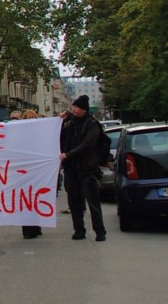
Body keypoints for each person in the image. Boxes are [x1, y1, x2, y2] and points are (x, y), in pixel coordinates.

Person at [60, 95, 107, 242]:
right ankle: (79, 230)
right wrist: (59, 120)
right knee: (74, 201)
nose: (73, 109)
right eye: (73, 107)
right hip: (71, 169)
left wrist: (68, 155)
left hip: (87, 167)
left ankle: (100, 231)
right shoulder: (69, 123)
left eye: (76, 107)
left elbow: (88, 144)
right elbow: (58, 136)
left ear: (84, 110)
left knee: (92, 201)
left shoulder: (92, 124)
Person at [18, 109, 43, 240]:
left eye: (33, 117)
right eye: (28, 118)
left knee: (35, 199)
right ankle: (28, 229)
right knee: (25, 200)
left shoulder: (40, 133)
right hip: (23, 171)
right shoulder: (19, 134)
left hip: (36, 171)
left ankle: (36, 226)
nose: (30, 120)